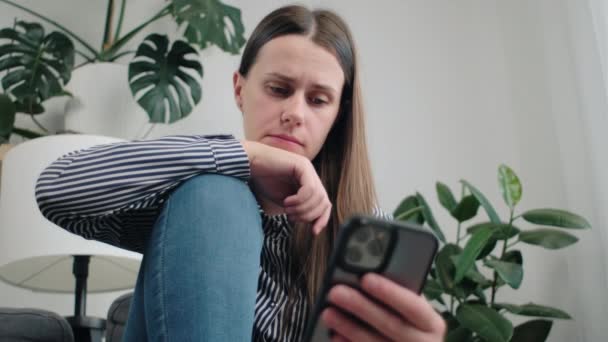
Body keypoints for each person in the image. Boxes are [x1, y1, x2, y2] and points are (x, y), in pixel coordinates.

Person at [35, 5, 446, 342]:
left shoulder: (361, 234)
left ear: (338, 116)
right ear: (239, 89)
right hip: (207, 207)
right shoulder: (190, 205)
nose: (295, 114)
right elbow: (57, 189)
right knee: (215, 195)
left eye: (318, 100)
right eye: (279, 90)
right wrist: (243, 155)